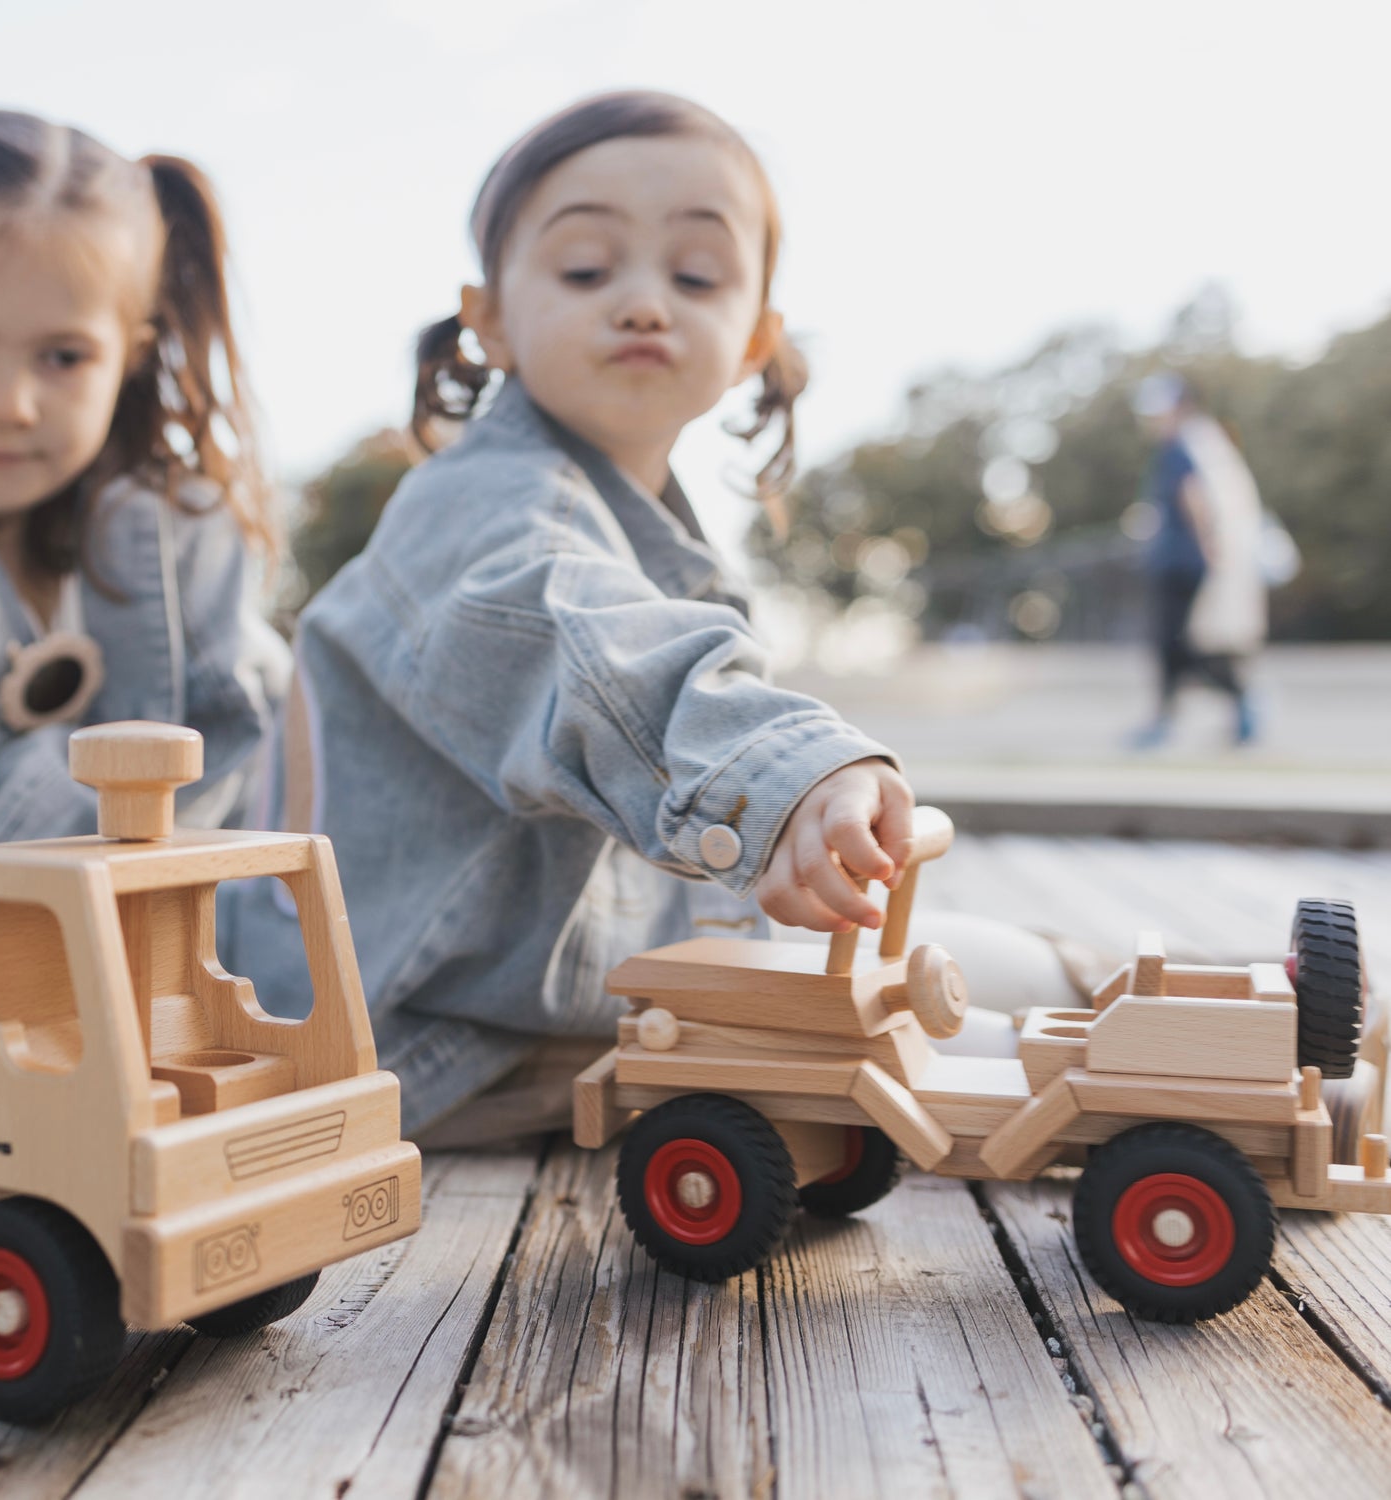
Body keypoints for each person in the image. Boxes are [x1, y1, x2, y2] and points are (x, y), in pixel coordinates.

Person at [222, 91, 931, 1137]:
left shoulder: (634, 519)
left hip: (524, 995)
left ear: (752, 340)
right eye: (587, 269)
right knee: (895, 1033)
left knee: (930, 971)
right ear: (492, 318)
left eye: (695, 275)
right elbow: (591, 652)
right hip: (409, 1033)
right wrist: (786, 772)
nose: (644, 302)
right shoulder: (488, 510)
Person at [0, 109, 287, 972]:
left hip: (138, 963)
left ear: (131, 356)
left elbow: (248, 762)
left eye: (63, 357)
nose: (11, 404)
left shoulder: (185, 529)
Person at [1128, 373, 1265, 748]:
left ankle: (1239, 703)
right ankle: (1234, 707)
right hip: (1184, 561)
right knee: (1178, 645)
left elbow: (1194, 497)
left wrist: (1207, 543)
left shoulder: (1180, 446)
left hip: (1180, 563)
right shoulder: (1202, 444)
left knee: (1176, 645)